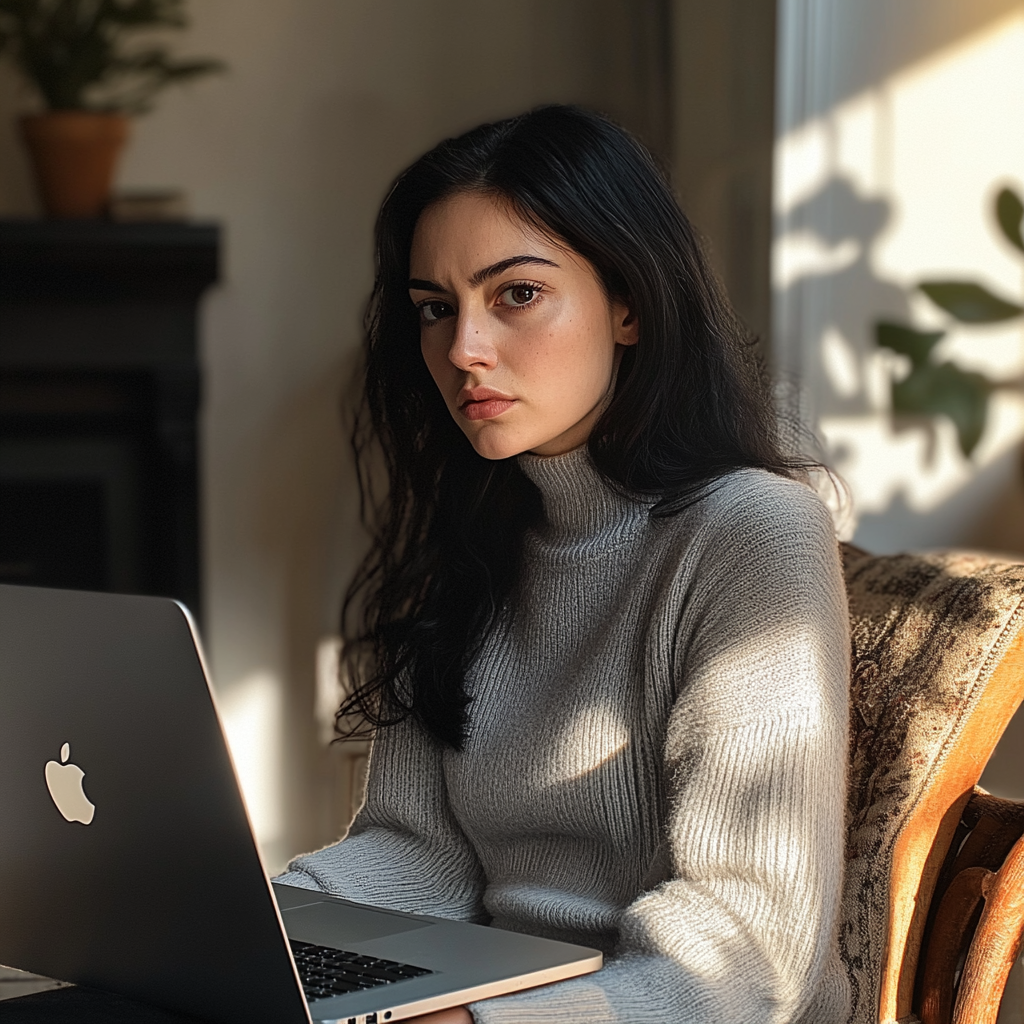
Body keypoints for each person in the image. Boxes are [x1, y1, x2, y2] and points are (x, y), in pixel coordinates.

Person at [276, 105, 851, 1024]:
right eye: (435, 308)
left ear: (628, 303)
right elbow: (423, 854)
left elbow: (750, 945)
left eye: (516, 294)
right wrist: (246, 923)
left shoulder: (752, 533)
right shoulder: (473, 537)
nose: (463, 349)